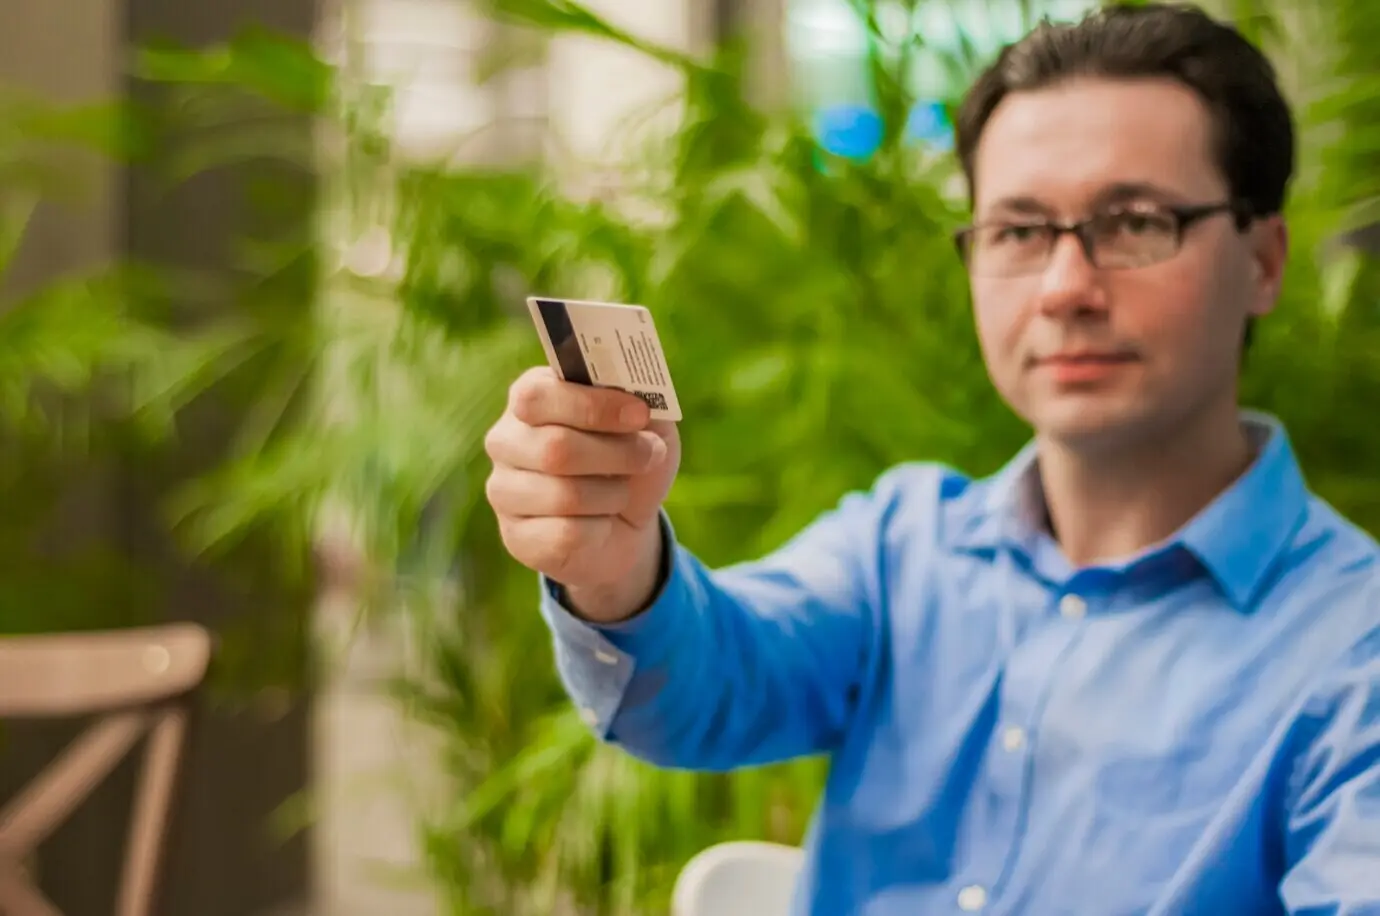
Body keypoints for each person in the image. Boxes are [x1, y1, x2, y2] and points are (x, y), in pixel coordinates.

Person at [482, 3, 1380, 913]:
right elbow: (696, 690)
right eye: (1020, 233)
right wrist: (613, 566)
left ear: (1264, 260)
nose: (1067, 288)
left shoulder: (1356, 649)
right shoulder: (902, 547)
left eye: (1137, 223)